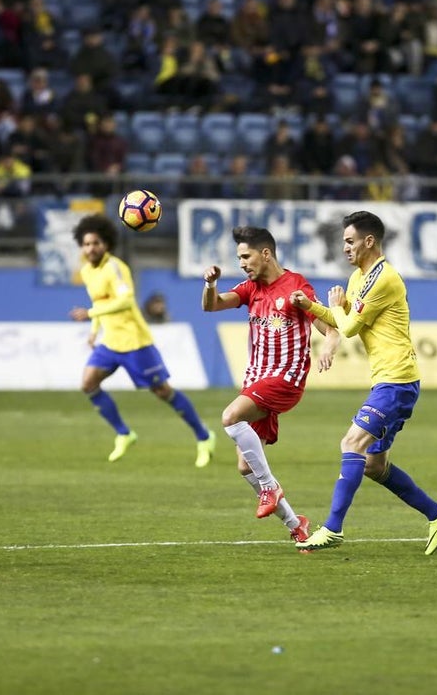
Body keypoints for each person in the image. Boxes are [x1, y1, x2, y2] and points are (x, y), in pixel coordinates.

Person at [290, 211, 437, 555]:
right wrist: (312, 306)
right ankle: (436, 513)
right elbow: (345, 318)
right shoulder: (358, 278)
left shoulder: (386, 278)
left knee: (351, 443)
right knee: (373, 465)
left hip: (396, 381)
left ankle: (333, 529)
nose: (345, 247)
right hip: (389, 380)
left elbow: (347, 328)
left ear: (369, 241)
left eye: (350, 241)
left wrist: (333, 307)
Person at [201, 226, 341, 543]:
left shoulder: (295, 285)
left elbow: (331, 327)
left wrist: (329, 349)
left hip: (286, 377)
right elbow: (211, 305)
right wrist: (210, 284)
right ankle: (297, 525)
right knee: (245, 466)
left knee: (230, 417)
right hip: (257, 379)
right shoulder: (251, 289)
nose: (242, 263)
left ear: (266, 254)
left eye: (246, 256)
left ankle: (270, 487)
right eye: (239, 257)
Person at [68, 215, 216, 467]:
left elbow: (126, 300)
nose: (90, 248)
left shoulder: (116, 267)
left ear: (106, 244)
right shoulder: (86, 271)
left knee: (162, 391)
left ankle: (204, 437)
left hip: (135, 342)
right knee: (88, 383)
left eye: (95, 243)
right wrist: (95, 330)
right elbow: (100, 302)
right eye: (86, 244)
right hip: (110, 342)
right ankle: (124, 434)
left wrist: (91, 314)